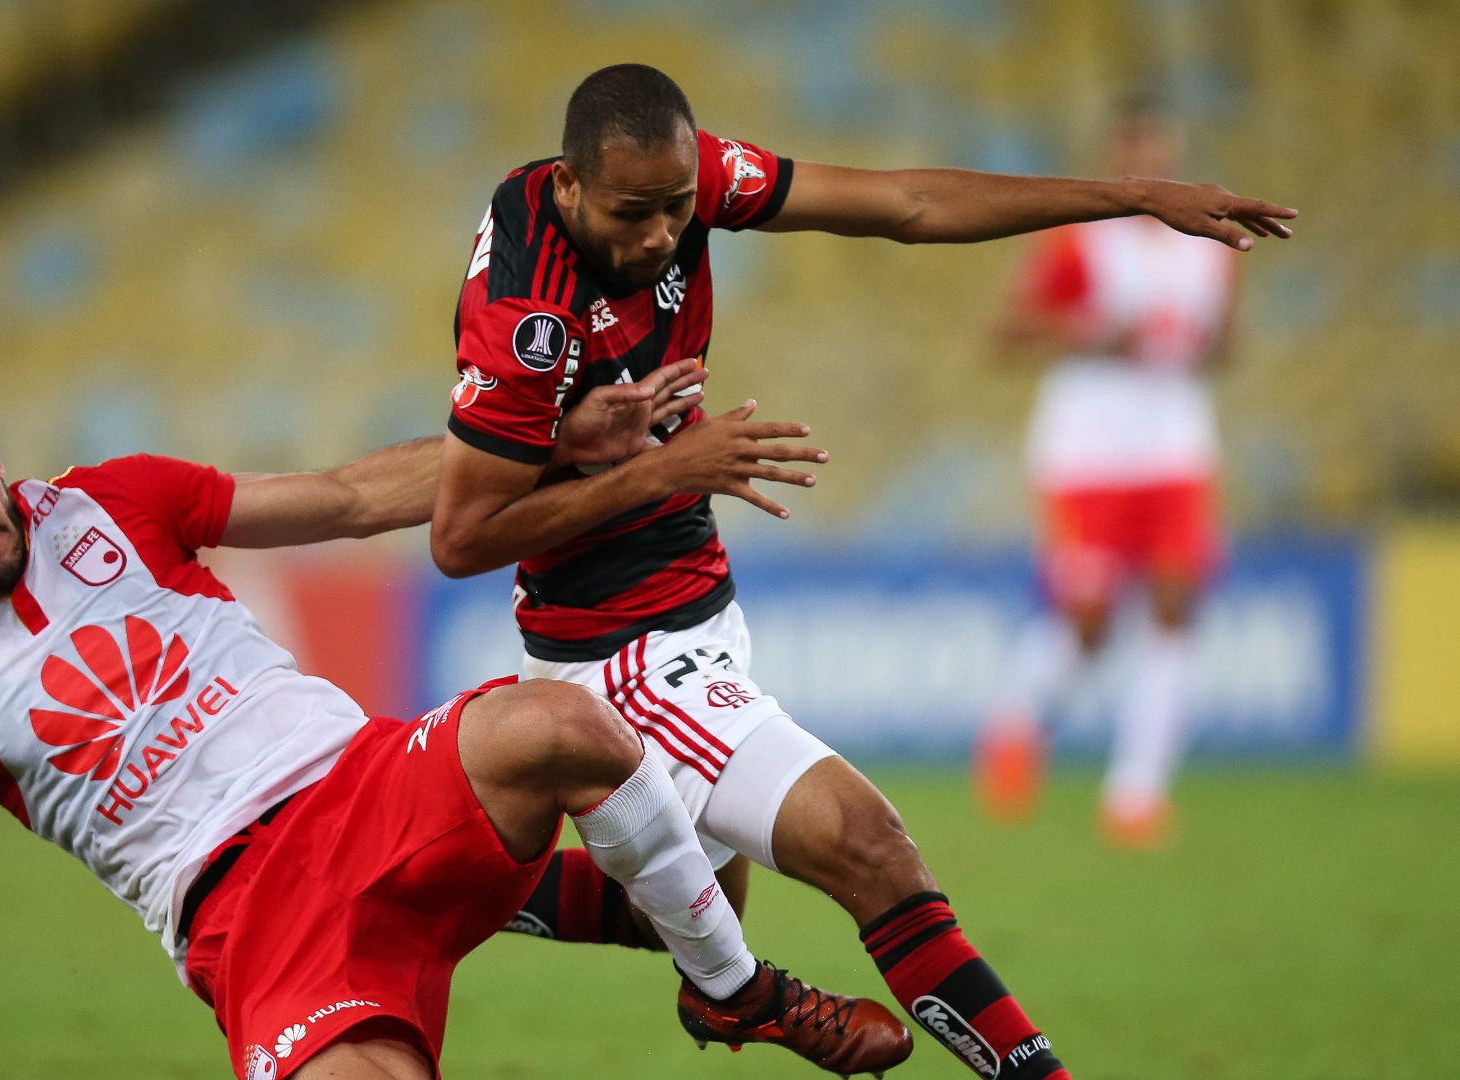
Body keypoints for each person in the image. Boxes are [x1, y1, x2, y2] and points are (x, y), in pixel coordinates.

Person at [431, 63, 1295, 1080]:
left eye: (676, 209)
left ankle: (416, 879)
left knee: (650, 907)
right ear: (572, 190)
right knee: (870, 847)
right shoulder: (526, 318)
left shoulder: (684, 177)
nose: (663, 235)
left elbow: (907, 203)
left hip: (697, 608)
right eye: (635, 213)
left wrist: (1135, 201)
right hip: (613, 654)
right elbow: (463, 537)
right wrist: (664, 468)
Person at [0, 367, 906, 1080]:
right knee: (651, 885)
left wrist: (551, 442)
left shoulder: (116, 500)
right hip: (251, 920)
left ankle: (736, 993)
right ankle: (584, 906)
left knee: (569, 725)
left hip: (369, 782)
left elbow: (344, 499)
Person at [973, 100, 1240, 847]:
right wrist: (1096, 334)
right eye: (1137, 151)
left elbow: (1225, 345)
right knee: (1088, 624)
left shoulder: (1211, 247)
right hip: (1087, 451)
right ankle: (1016, 728)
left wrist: (1205, 343)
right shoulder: (1081, 243)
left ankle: (1135, 795)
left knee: (1175, 605)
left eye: (1162, 147)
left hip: (1176, 447)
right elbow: (1008, 332)